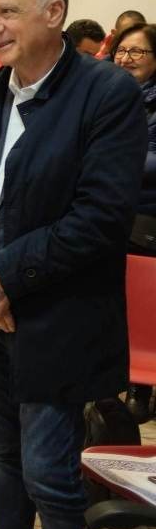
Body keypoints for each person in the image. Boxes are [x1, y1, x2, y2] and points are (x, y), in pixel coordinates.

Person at [0, 0, 147, 529]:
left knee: (50, 476)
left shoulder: (107, 94)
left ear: (53, 13)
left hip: (58, 316)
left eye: (8, 12)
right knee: (3, 458)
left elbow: (99, 218)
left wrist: (1, 278)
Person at [109, 22, 156, 423]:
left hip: (147, 217)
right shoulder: (108, 95)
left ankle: (142, 390)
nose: (126, 59)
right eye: (122, 51)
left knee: (145, 307)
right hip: (111, 212)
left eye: (137, 52)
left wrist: (112, 155)